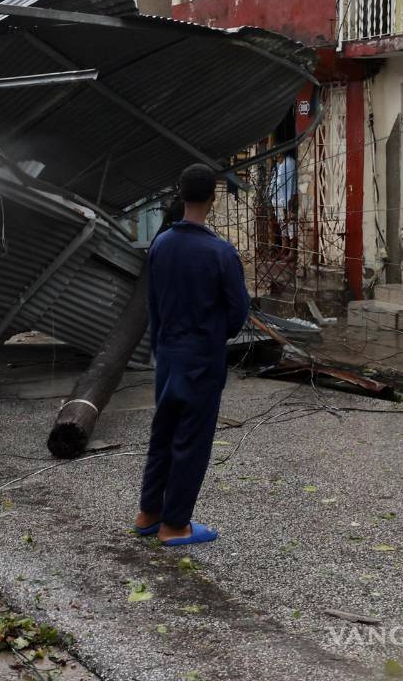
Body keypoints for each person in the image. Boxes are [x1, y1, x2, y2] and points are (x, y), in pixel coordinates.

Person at [134, 164, 250, 547]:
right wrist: (213, 336)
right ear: (212, 199)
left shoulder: (161, 245)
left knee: (163, 433)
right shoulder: (221, 252)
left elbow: (152, 305)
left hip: (166, 354)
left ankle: (149, 512)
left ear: (180, 196)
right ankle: (176, 525)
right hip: (201, 357)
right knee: (192, 441)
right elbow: (237, 313)